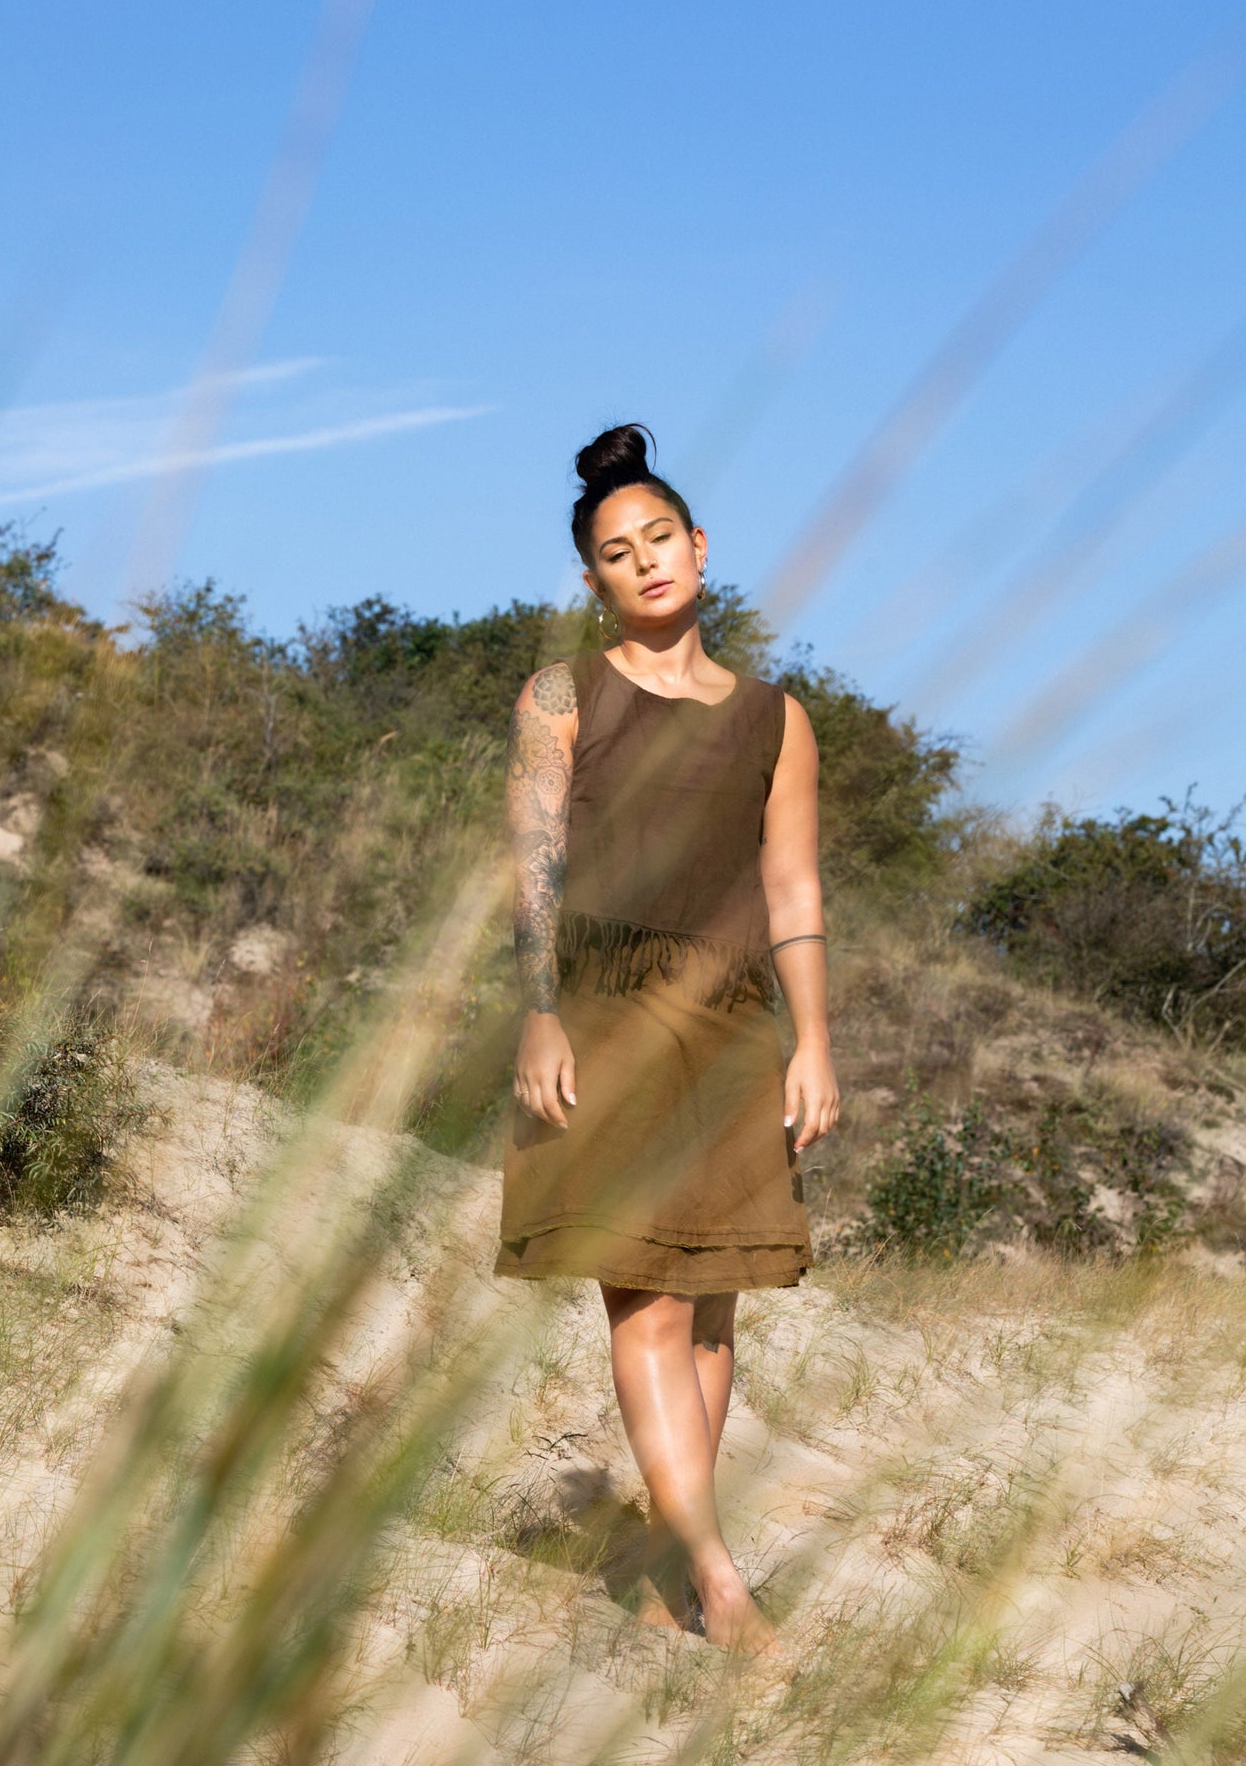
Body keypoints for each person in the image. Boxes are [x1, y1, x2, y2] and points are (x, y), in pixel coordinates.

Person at [494, 423, 840, 1653]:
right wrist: (538, 1009)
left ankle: (667, 1550)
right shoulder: (559, 693)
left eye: (657, 539)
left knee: (710, 1312)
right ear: (591, 578)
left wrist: (813, 1041)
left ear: (698, 547)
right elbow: (531, 863)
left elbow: (792, 891)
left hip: (737, 1022)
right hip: (605, 1011)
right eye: (613, 552)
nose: (641, 563)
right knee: (641, 1302)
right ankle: (718, 1575)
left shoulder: (773, 717)